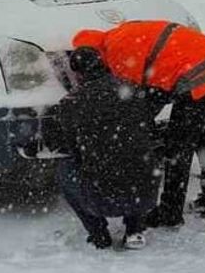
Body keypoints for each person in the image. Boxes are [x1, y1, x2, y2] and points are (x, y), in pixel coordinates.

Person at [72, 20, 205, 228]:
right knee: (204, 139)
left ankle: (170, 212)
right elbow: (152, 87)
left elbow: (137, 103)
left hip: (196, 74)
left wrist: (131, 130)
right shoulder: (120, 34)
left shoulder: (117, 54)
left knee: (178, 147)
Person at [50, 46, 164, 250]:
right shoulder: (133, 89)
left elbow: (72, 150)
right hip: (145, 195)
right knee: (137, 158)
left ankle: (98, 234)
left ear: (78, 74)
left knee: (64, 168)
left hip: (101, 198)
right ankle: (135, 229)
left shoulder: (71, 103)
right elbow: (149, 132)